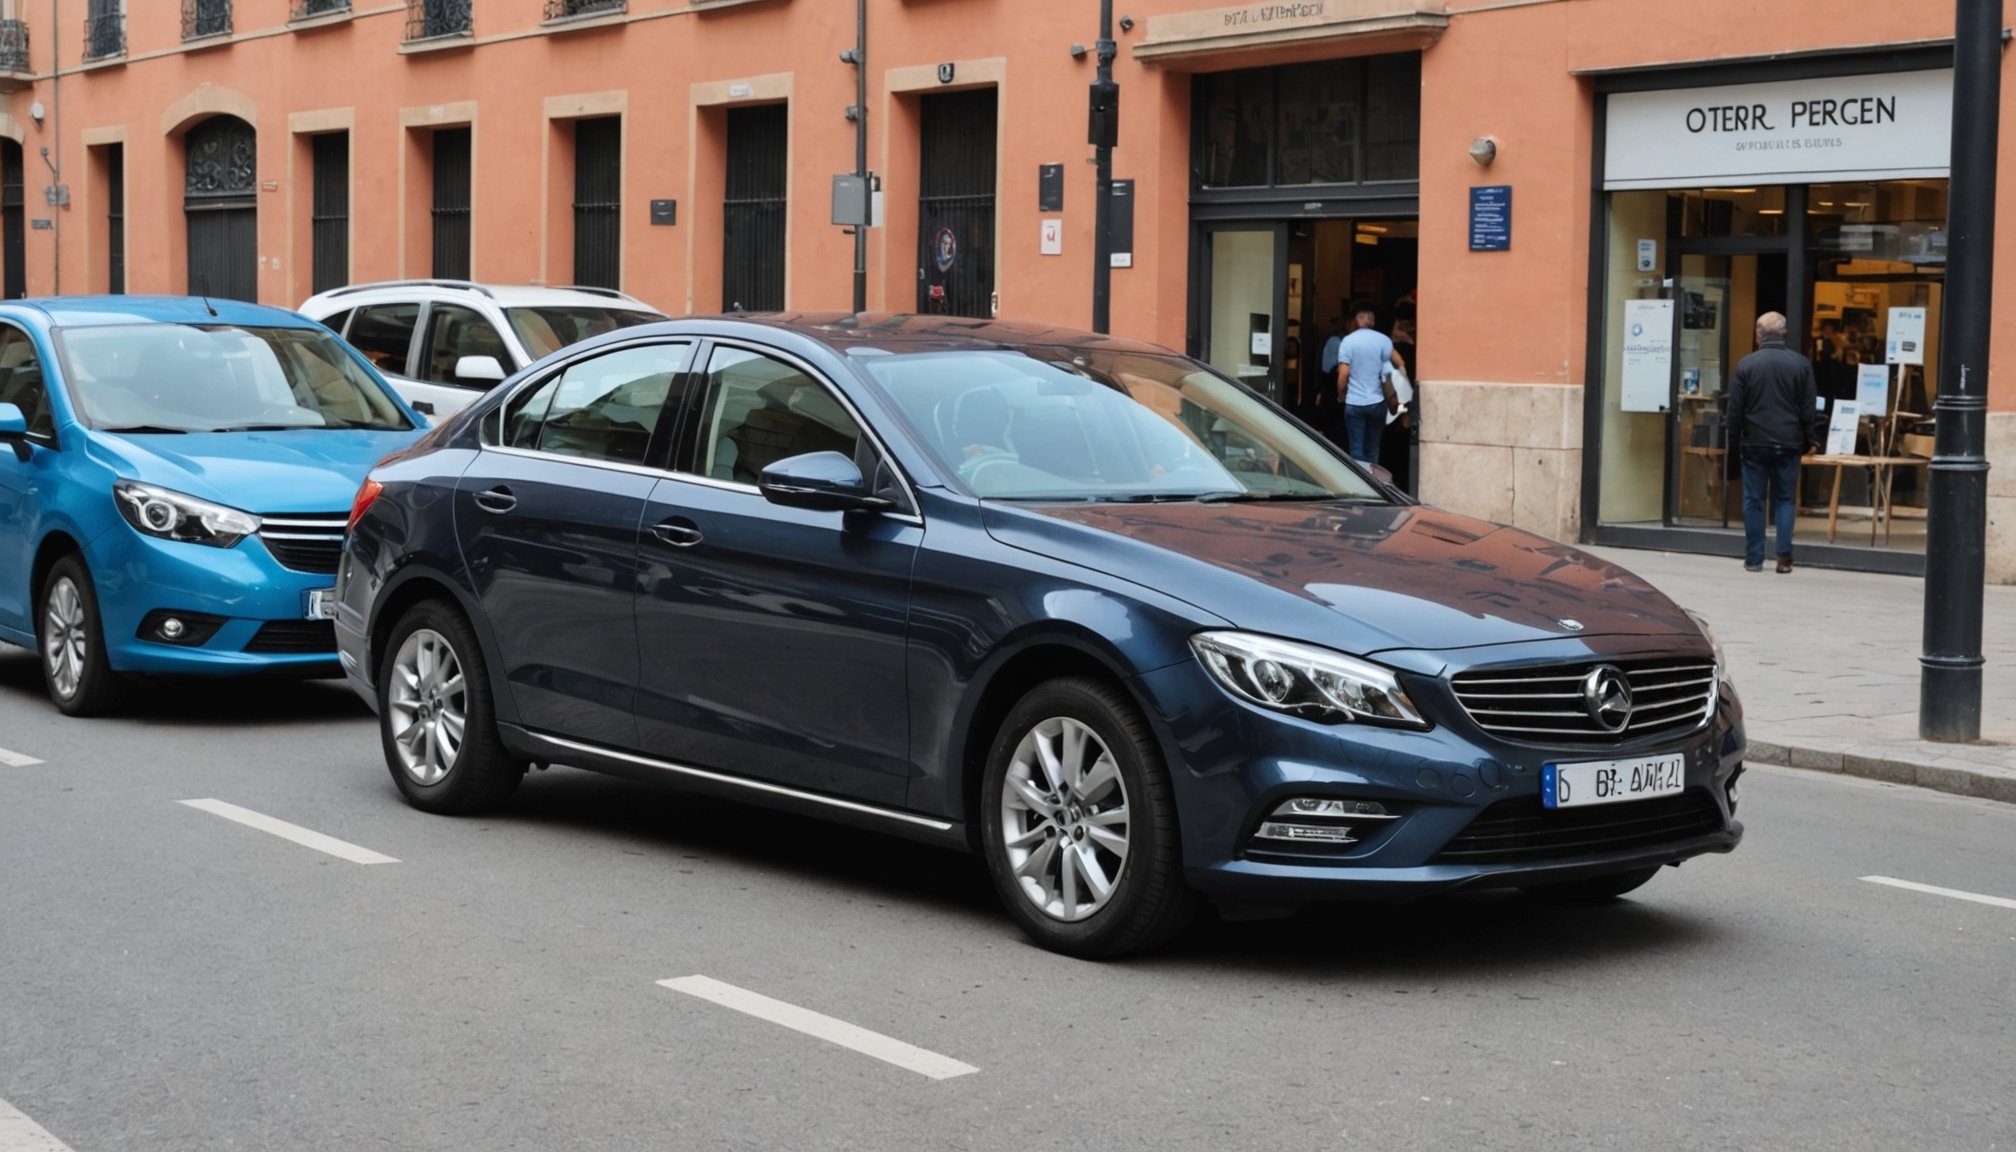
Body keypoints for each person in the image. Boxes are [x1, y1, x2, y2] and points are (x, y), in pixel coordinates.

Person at [1726, 311, 1824, 573]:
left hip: (1754, 441)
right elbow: (1808, 407)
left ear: (1758, 336)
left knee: (1753, 500)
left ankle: (1754, 558)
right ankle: (1784, 558)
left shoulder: (1746, 365)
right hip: (1788, 440)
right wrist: (1811, 438)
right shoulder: (1800, 364)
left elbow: (1735, 410)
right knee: (1785, 500)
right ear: (1784, 334)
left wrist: (1734, 441)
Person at [1330, 303, 1404, 466]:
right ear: (1373, 321)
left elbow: (1343, 374)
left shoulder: (1348, 341)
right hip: (1377, 402)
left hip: (1354, 402)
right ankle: (1372, 478)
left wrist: (1341, 395)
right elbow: (1387, 374)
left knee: (1356, 449)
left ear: (1356, 320)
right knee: (1373, 448)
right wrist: (1393, 400)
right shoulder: (1384, 340)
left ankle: (1359, 478)